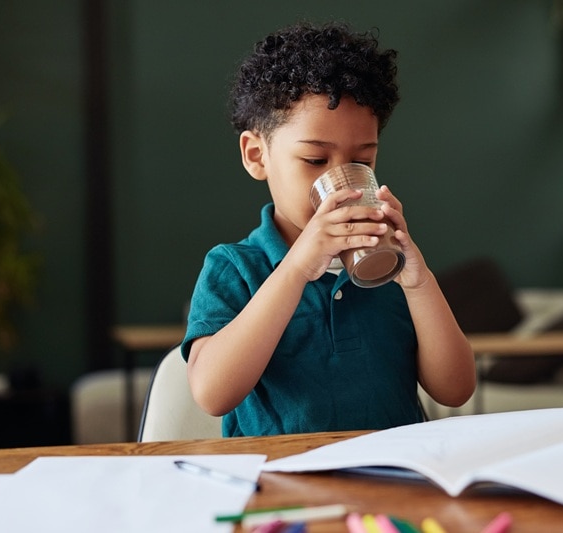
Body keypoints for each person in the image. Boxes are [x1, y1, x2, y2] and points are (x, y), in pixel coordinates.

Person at [182, 21, 476, 437]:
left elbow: (456, 389)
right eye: (315, 161)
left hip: (392, 481)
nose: (343, 182)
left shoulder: (388, 268)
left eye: (363, 163)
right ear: (256, 155)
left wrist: (418, 282)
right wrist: (298, 266)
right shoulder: (234, 268)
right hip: (284, 484)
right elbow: (213, 394)